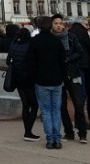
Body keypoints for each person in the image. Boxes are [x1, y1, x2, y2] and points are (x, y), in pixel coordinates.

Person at [28, 14, 66, 150]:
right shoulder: (56, 42)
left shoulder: (35, 41)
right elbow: (63, 62)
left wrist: (33, 78)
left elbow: (31, 63)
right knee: (56, 110)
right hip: (56, 80)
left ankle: (50, 139)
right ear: (50, 26)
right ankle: (57, 138)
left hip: (41, 80)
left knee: (46, 110)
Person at [51, 15, 87, 143]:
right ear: (52, 25)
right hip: (58, 75)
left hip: (73, 73)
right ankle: (69, 132)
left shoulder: (71, 37)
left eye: (60, 23)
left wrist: (68, 59)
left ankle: (82, 133)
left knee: (78, 103)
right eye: (56, 23)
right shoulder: (50, 39)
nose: (59, 26)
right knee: (61, 106)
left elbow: (80, 52)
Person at [7, 27, 39, 140]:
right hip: (29, 78)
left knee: (25, 105)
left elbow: (8, 61)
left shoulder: (13, 45)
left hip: (17, 78)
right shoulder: (30, 45)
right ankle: (28, 130)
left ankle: (27, 131)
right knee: (34, 105)